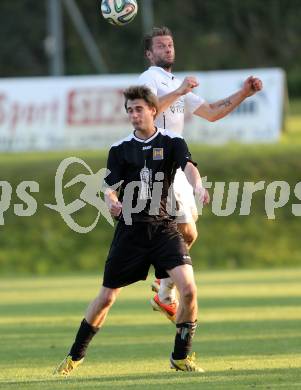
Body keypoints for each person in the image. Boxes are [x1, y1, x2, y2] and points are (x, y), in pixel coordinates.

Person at [54, 85, 209, 376]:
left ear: (153, 110)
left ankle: (181, 357)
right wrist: (111, 202)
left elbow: (189, 167)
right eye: (129, 110)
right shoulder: (120, 149)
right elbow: (109, 190)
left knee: (188, 289)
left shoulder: (172, 141)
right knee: (106, 298)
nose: (134, 115)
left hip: (164, 228)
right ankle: (74, 357)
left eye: (139, 109)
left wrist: (197, 185)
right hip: (130, 232)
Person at [137, 26, 263, 321]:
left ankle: (164, 288)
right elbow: (146, 113)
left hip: (175, 164)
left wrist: (244, 92)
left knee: (190, 232)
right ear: (149, 54)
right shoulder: (149, 79)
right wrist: (179, 91)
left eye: (170, 44)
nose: (168, 49)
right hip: (154, 164)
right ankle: (163, 284)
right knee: (173, 233)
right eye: (160, 46)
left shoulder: (172, 81)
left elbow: (211, 111)